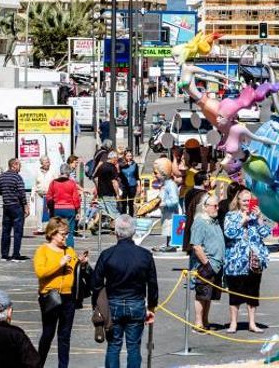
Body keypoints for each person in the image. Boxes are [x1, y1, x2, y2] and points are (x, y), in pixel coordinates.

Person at [93, 214, 159, 368]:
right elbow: (152, 284)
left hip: (113, 302)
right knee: (134, 347)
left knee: (114, 346)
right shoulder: (145, 255)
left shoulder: (107, 255)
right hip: (136, 302)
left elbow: (96, 283)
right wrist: (151, 307)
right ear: (134, 231)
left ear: (116, 232)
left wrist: (97, 306)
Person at [33, 217, 89, 368]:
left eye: (66, 234)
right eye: (62, 234)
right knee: (48, 334)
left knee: (64, 336)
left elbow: (75, 273)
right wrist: (60, 263)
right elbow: (40, 272)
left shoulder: (69, 250)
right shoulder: (43, 250)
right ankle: (39, 364)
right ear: (52, 233)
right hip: (50, 296)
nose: (65, 237)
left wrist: (81, 264)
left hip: (68, 297)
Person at [223, 188, 271, 333]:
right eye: (244, 200)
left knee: (253, 292)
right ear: (237, 201)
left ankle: (252, 323)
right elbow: (229, 233)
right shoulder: (231, 215)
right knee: (235, 293)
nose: (247, 203)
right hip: (236, 261)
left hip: (254, 260)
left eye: (250, 201)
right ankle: (233, 323)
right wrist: (242, 222)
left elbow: (265, 234)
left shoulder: (255, 216)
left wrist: (260, 219)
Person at [189, 195, 225, 331]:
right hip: (205, 265)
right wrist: (206, 263)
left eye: (217, 205)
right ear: (205, 207)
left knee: (208, 295)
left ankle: (205, 320)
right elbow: (196, 246)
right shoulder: (200, 222)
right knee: (202, 294)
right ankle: (198, 321)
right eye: (214, 206)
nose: (217, 208)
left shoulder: (213, 221)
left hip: (216, 264)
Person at [0, 158, 29, 261]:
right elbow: (22, 194)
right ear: (14, 165)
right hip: (16, 206)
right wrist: (26, 206)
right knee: (18, 231)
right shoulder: (17, 177)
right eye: (19, 165)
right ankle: (15, 255)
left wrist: (6, 193)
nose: (20, 167)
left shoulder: (2, 177)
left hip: (6, 206)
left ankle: (4, 255)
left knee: (6, 231)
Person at [45, 165, 83, 248]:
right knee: (70, 232)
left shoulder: (53, 182)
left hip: (57, 209)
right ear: (69, 172)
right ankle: (70, 250)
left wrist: (50, 208)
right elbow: (76, 199)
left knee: (56, 230)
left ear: (60, 172)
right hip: (70, 209)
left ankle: (56, 248)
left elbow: (49, 197)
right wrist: (78, 211)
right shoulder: (72, 183)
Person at [92, 151, 122, 233]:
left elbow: (95, 178)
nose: (117, 161)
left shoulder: (101, 166)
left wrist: (98, 188)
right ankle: (115, 229)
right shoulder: (112, 168)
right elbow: (114, 182)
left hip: (101, 193)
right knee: (114, 212)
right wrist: (117, 194)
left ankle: (94, 224)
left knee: (102, 211)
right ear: (114, 158)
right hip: (109, 193)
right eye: (117, 159)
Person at [154, 157, 180, 252]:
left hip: (171, 212)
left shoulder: (171, 185)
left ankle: (171, 244)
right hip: (166, 212)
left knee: (170, 227)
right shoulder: (165, 184)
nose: (154, 175)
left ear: (163, 173)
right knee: (166, 227)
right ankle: (169, 243)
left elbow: (175, 200)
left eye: (156, 173)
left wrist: (164, 203)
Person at [182, 171, 210, 253]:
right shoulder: (205, 195)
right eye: (208, 179)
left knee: (192, 252)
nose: (209, 181)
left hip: (189, 225)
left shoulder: (188, 193)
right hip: (201, 228)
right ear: (204, 181)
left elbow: (185, 210)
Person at [31, 156, 56, 235]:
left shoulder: (53, 171)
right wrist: (32, 194)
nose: (48, 164)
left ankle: (50, 228)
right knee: (39, 211)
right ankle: (40, 228)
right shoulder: (37, 171)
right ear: (42, 163)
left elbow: (56, 182)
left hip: (50, 194)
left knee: (50, 211)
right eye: (46, 162)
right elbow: (34, 183)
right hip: (40, 194)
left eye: (48, 162)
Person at [118, 150, 141, 217]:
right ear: (125, 156)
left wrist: (139, 186)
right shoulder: (121, 164)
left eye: (130, 156)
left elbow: (137, 176)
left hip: (132, 185)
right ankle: (123, 216)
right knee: (124, 202)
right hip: (124, 185)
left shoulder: (135, 164)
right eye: (128, 156)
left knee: (131, 202)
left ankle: (131, 217)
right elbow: (118, 174)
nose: (129, 157)